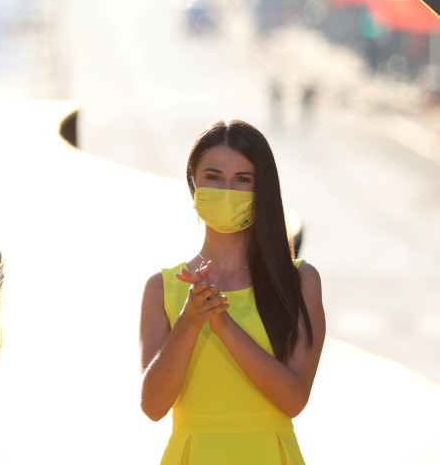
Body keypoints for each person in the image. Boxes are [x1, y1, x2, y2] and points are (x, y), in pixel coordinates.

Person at [139, 119, 326, 464]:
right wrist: (189, 322)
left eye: (243, 179)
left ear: (262, 190)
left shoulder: (300, 282)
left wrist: (225, 327)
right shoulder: (162, 288)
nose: (227, 190)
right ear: (193, 184)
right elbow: (153, 406)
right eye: (213, 177)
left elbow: (294, 399)